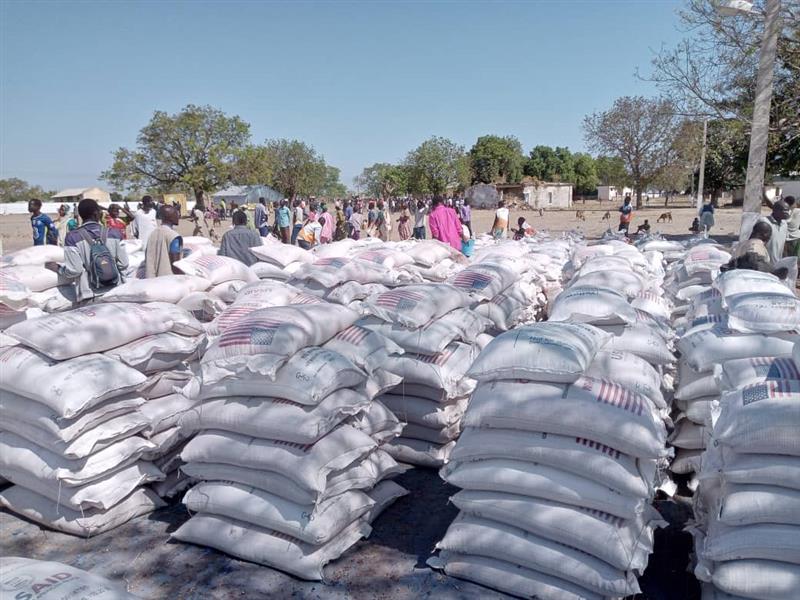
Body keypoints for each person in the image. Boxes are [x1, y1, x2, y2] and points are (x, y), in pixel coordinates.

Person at [48, 199, 127, 302]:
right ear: (96, 214)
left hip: (89, 295)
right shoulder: (115, 233)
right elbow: (123, 264)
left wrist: (58, 269)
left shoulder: (73, 237)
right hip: (115, 291)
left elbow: (75, 270)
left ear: (80, 215)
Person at [145, 205, 183, 278]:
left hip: (151, 280)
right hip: (168, 280)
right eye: (176, 214)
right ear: (170, 217)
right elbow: (175, 264)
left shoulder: (153, 233)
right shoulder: (174, 236)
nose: (178, 217)